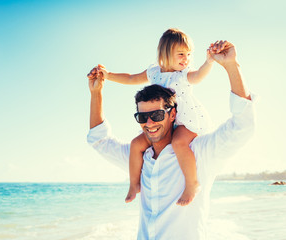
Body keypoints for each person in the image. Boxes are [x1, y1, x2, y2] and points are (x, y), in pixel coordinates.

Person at [87, 41, 256, 239]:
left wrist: (231, 66)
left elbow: (243, 126)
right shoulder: (140, 158)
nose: (149, 123)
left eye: (157, 115)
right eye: (142, 118)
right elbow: (99, 141)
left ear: (173, 114)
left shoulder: (199, 154)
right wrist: (96, 93)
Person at [95, 28, 214, 206]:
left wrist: (209, 61)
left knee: (179, 143)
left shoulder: (182, 75)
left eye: (189, 54)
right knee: (136, 144)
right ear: (165, 54)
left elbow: (198, 76)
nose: (186, 59)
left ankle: (192, 184)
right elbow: (130, 79)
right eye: (181, 54)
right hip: (163, 123)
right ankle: (134, 184)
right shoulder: (154, 72)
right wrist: (108, 76)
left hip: (185, 121)